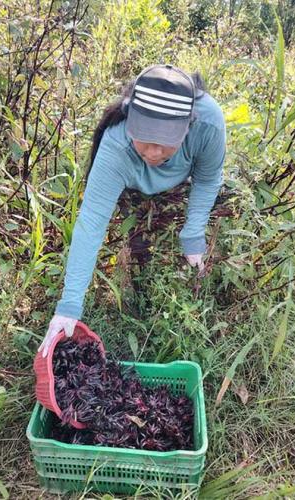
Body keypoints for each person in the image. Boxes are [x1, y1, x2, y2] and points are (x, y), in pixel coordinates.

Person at [39, 64, 226, 356]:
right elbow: (92, 222)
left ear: (188, 126)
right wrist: (69, 306)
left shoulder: (208, 124)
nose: (153, 152)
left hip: (179, 185)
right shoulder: (116, 143)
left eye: (165, 143)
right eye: (145, 139)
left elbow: (208, 178)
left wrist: (192, 234)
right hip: (130, 183)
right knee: (137, 242)